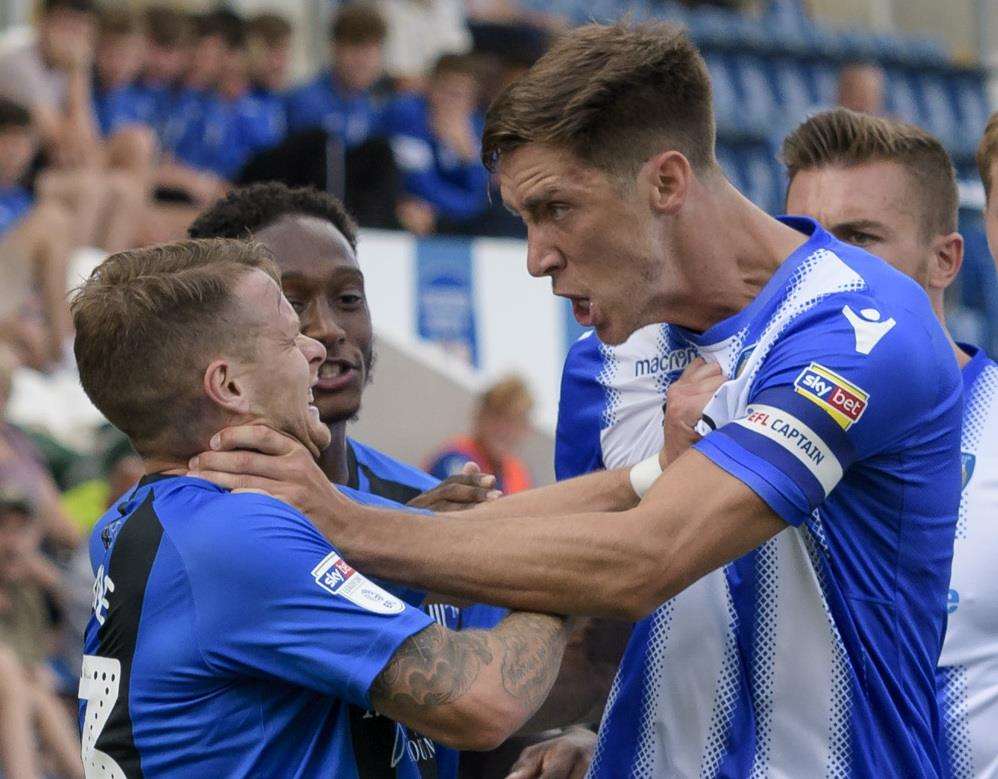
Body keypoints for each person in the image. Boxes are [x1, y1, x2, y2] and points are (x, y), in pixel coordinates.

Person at [192, 22, 964, 776]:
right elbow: (587, 609)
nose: (536, 258)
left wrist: (347, 524)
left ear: (666, 180)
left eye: (556, 208)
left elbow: (645, 557)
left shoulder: (860, 325)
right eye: (525, 219)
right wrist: (590, 727)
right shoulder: (604, 361)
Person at [73, 238, 575, 776]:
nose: (317, 346)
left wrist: (646, 477)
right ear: (229, 384)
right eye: (290, 338)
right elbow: (481, 702)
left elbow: (481, 539)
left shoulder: (156, 516)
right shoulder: (237, 534)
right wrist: (564, 579)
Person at [779, 107, 997, 779]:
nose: (822, 266)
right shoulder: (731, 427)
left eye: (857, 239)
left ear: (945, 258)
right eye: (802, 239)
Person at [386, 53, 491, 235]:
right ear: (430, 89)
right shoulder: (408, 116)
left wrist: (470, 158)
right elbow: (419, 186)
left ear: (472, 102)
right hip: (398, 207)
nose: (450, 103)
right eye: (445, 91)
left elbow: (481, 199)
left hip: (443, 215)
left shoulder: (477, 129)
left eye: (459, 96)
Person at [285, 3, 389, 145]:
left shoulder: (371, 105)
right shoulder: (305, 101)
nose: (363, 62)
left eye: (371, 51)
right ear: (334, 48)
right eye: (355, 49)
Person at [426, 375, 534, 494]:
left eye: (514, 422)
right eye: (498, 416)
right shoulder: (454, 459)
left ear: (525, 429)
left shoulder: (519, 476)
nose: (505, 430)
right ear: (480, 416)